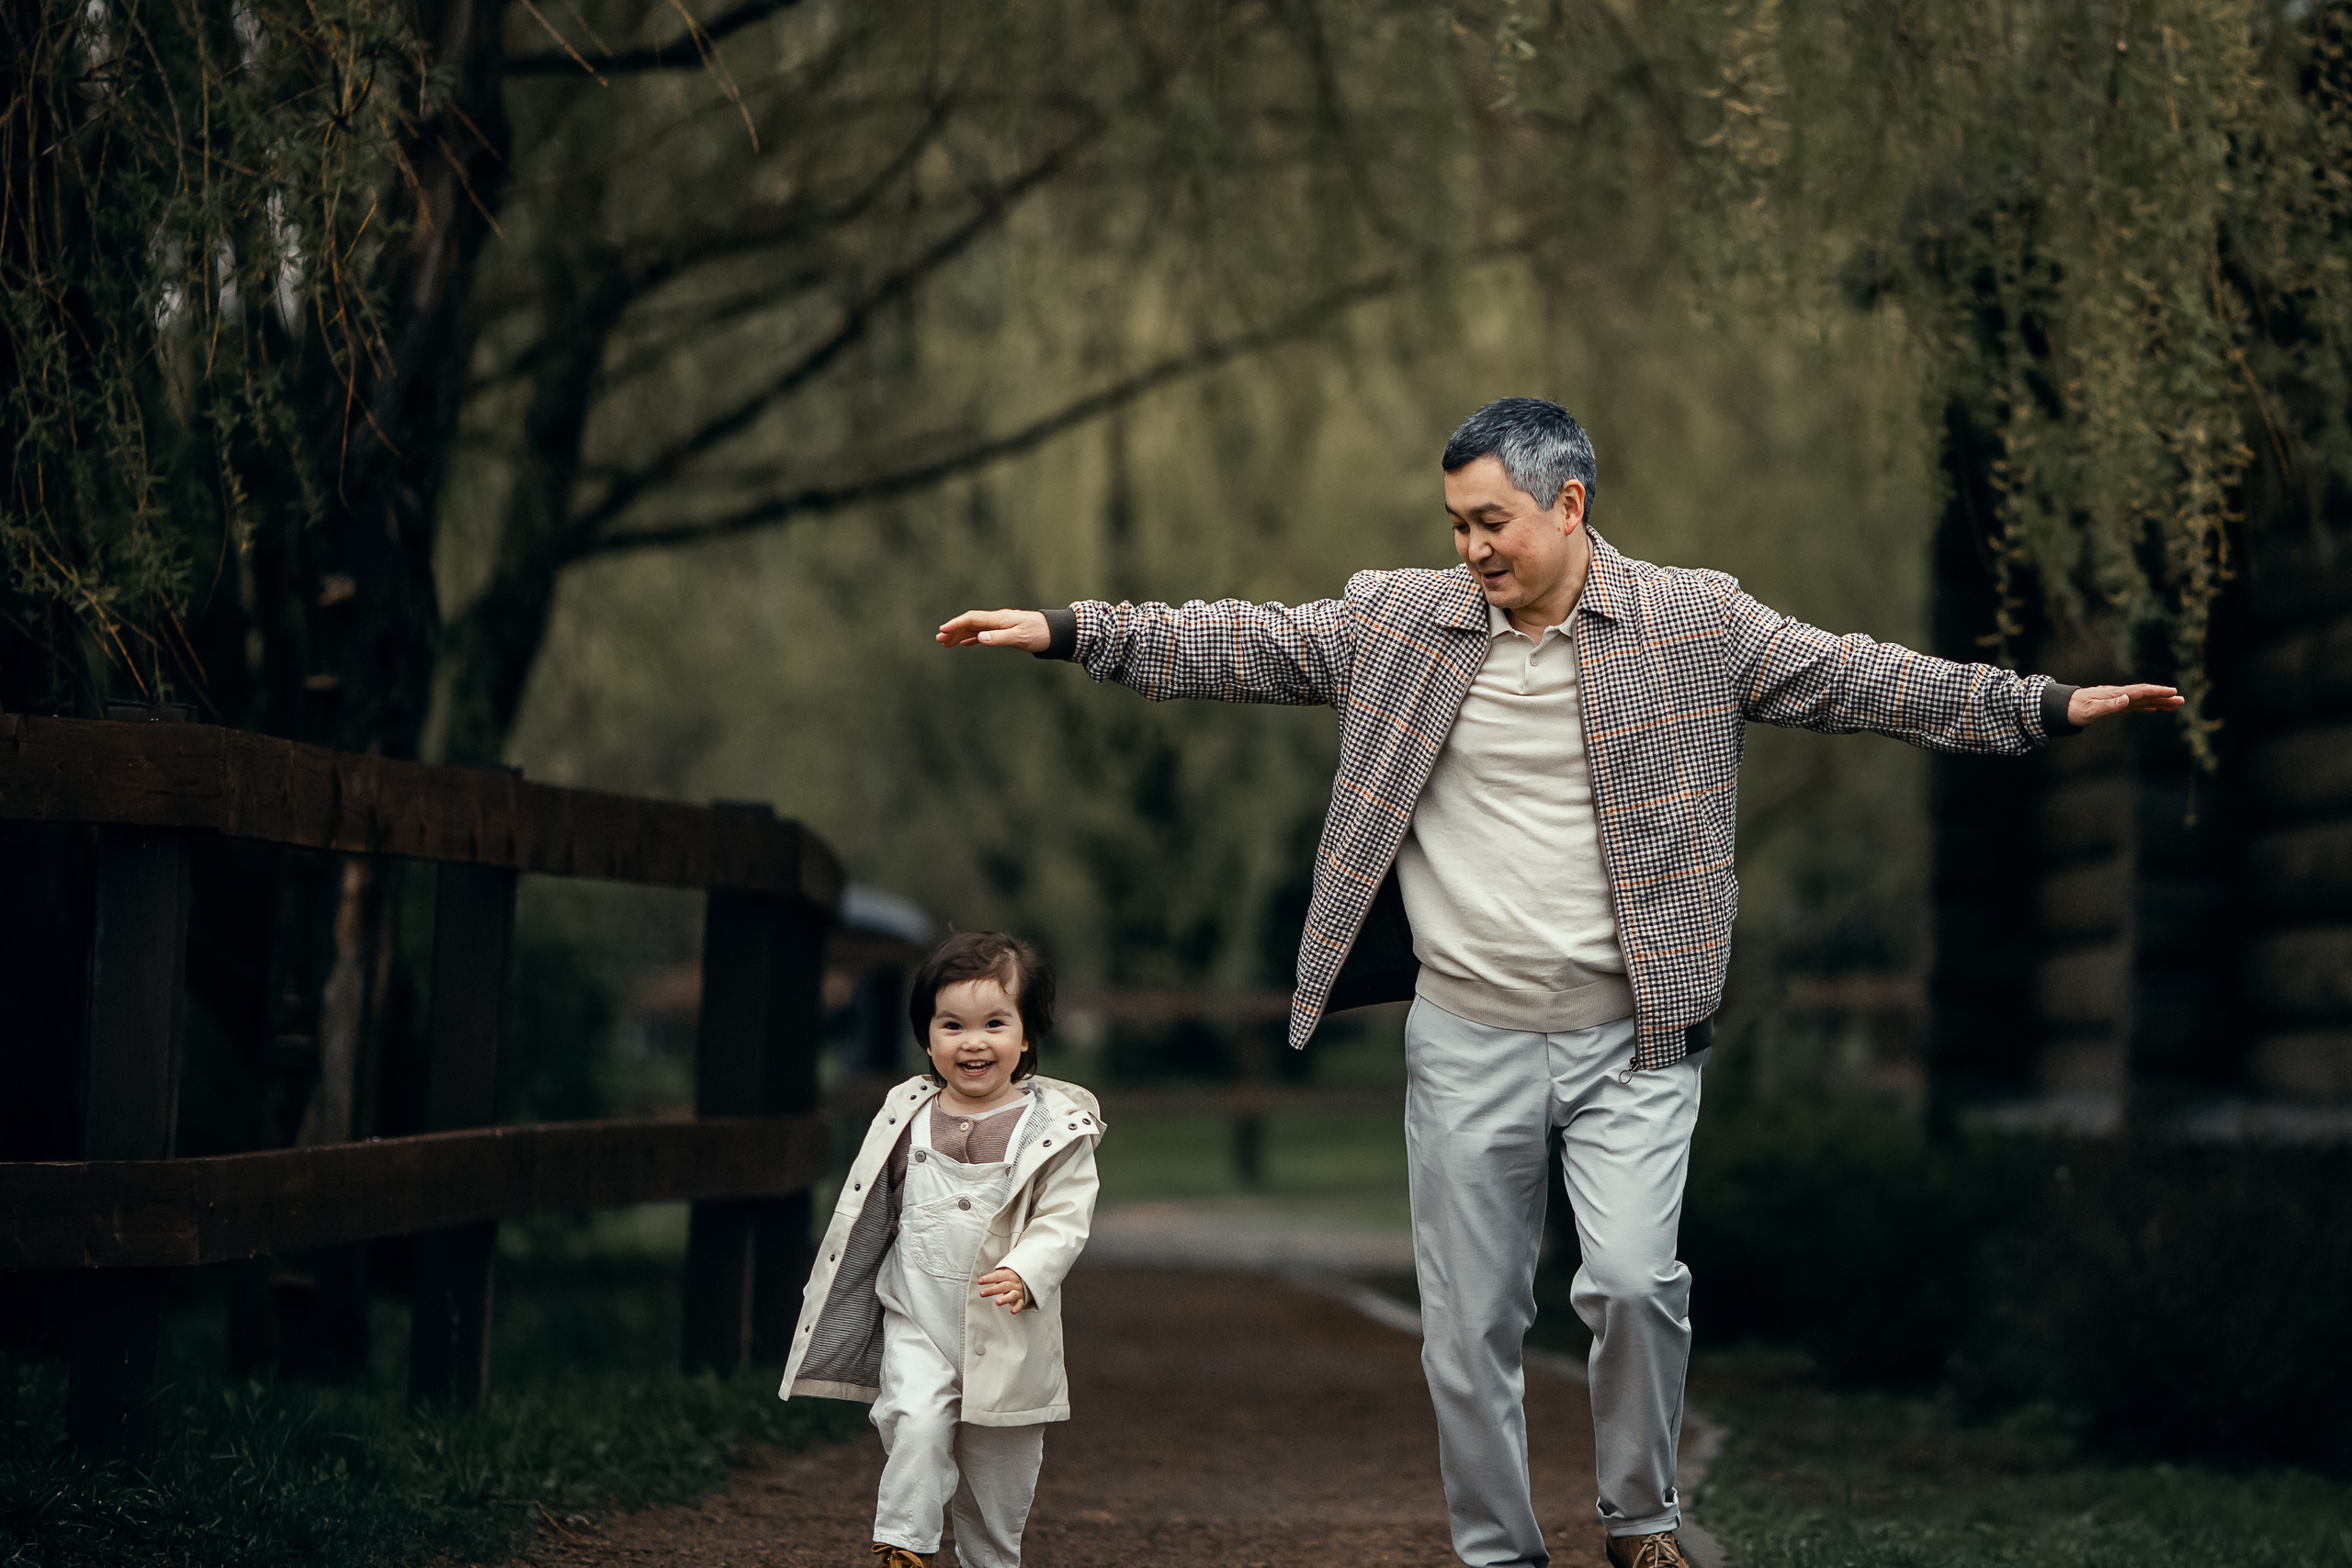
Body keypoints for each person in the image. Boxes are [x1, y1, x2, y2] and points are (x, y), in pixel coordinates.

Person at [934, 398, 2181, 1568]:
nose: (1472, 547)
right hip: (1467, 1033)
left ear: (1569, 506)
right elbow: (1245, 639)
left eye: (1494, 522)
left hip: (1634, 1037)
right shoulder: (1399, 621)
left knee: (1635, 1281)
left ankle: (1642, 1519)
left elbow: (1871, 678)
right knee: (1467, 1326)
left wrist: (2047, 705)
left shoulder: (1696, 623)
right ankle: (1499, 1549)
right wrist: (1072, 628)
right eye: (1457, 524)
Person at [781, 931, 1105, 1568]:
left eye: (994, 1023)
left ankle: (990, 1559)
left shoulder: (1055, 1129)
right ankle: (904, 1544)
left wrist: (1024, 1267)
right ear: (927, 1037)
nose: (973, 1041)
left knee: (997, 1484)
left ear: (1027, 1036)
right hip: (918, 1317)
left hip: (1008, 1332)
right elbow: (872, 1206)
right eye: (952, 1024)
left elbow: (1064, 1218)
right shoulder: (906, 1115)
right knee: (914, 1419)